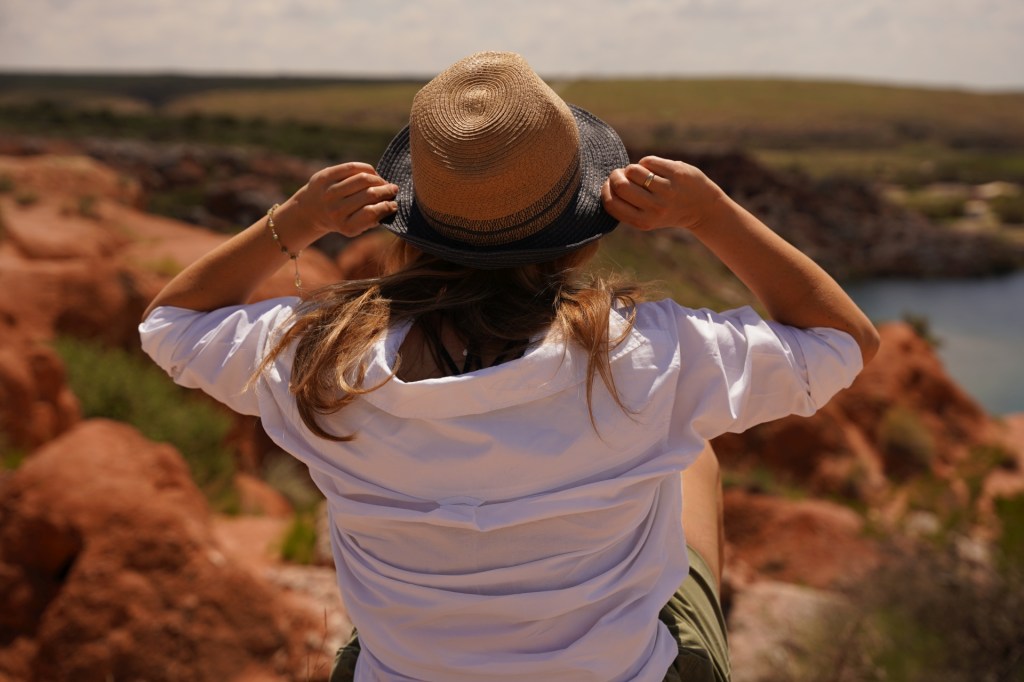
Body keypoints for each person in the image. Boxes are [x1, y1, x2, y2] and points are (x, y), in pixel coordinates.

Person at [140, 52, 878, 682]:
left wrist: (297, 220)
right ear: (584, 232)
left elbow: (168, 324)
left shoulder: (320, 357)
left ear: (410, 219)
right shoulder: (649, 355)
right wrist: (710, 213)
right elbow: (844, 341)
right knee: (691, 454)